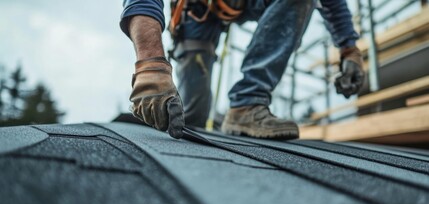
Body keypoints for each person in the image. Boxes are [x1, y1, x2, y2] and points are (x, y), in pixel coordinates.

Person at [120, 0, 365, 139]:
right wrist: (151, 66)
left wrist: (349, 48)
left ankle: (247, 103)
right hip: (197, 11)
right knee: (188, 117)